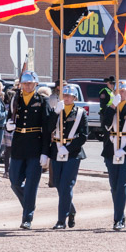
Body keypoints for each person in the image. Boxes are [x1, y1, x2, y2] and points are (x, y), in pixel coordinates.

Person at [6, 70, 52, 229]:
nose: (27, 86)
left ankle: (27, 217)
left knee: (32, 184)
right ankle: (29, 203)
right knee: (14, 181)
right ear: (21, 84)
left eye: (30, 83)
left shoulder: (42, 101)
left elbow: (46, 129)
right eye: (25, 83)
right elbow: (10, 116)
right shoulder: (15, 99)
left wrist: (45, 152)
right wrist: (8, 126)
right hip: (19, 145)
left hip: (35, 146)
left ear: (36, 84)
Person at [46, 84, 88, 229]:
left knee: (66, 185)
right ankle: (71, 209)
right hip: (56, 150)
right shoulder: (57, 110)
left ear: (75, 97)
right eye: (65, 95)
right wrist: (55, 113)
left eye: (70, 96)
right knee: (57, 183)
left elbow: (83, 136)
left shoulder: (80, 113)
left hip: (73, 153)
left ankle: (61, 220)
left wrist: (68, 148)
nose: (67, 98)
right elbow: (48, 128)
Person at [101, 81, 126, 230]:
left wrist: (125, 150)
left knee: (122, 184)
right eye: (118, 90)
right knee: (114, 185)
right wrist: (113, 107)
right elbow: (105, 125)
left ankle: (118, 219)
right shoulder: (111, 107)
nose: (121, 93)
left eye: (124, 91)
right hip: (111, 150)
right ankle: (120, 213)